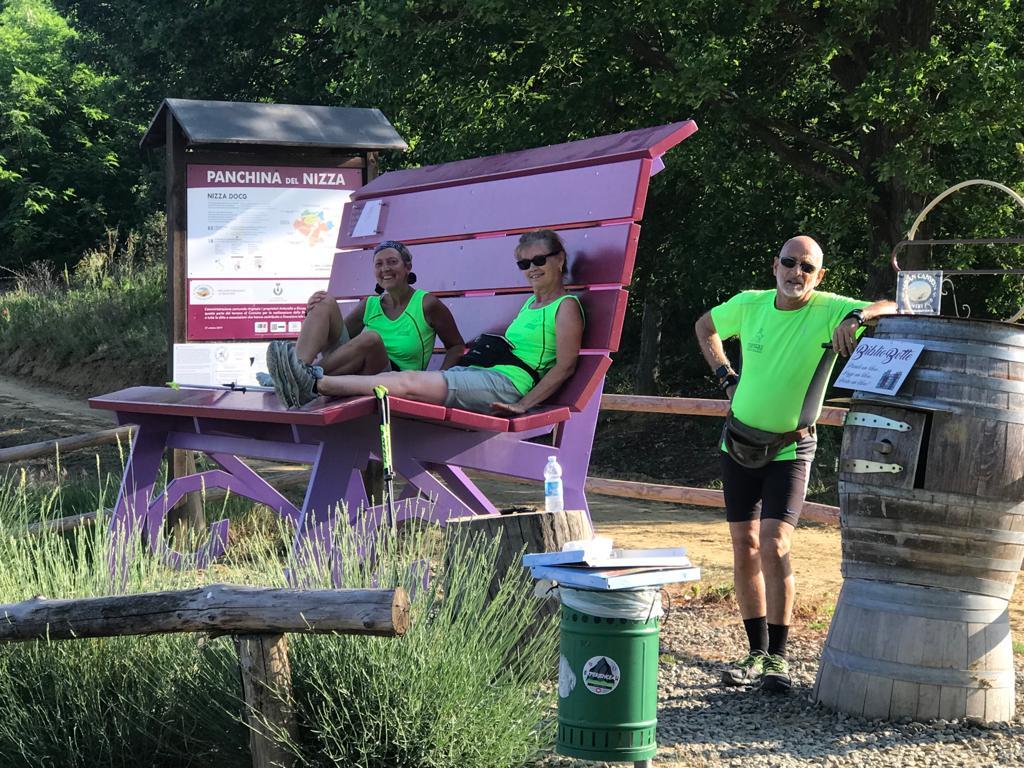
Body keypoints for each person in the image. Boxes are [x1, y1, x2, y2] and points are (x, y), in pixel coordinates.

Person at [693, 235, 897, 693]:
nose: (796, 273)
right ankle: (755, 652)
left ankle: (778, 660)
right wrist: (726, 377)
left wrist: (858, 316)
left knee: (775, 544)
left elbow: (896, 305)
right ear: (775, 265)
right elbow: (704, 326)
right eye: (789, 263)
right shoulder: (750, 304)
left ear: (819, 276)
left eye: (807, 267)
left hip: (790, 448)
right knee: (744, 545)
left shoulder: (828, 309)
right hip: (737, 442)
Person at [270, 229, 585, 414]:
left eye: (539, 260)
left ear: (559, 259)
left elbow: (565, 366)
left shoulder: (566, 306)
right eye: (524, 263)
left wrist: (524, 405)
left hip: (506, 385)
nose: (531, 268)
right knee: (395, 377)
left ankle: (312, 383)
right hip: (480, 374)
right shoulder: (531, 304)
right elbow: (341, 338)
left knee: (405, 381)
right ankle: (300, 372)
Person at [263, 240, 464, 404]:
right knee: (324, 301)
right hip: (358, 372)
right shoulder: (370, 304)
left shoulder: (427, 304)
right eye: (379, 264)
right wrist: (311, 312)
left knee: (371, 339)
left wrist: (439, 379)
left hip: (396, 381)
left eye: (392, 262)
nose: (385, 268)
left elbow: (456, 346)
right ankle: (295, 373)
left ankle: (297, 379)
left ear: (407, 267)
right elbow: (333, 341)